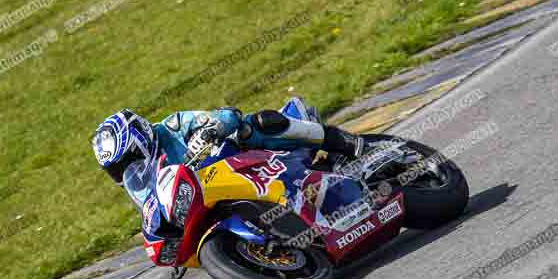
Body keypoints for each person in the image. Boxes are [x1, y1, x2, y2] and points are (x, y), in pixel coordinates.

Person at [91, 97, 365, 209]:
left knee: (251, 127)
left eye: (126, 161)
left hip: (237, 159)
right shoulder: (139, 186)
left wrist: (210, 131)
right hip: (215, 197)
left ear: (140, 139)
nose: (124, 172)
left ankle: (343, 142)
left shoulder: (172, 127)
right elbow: (158, 211)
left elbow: (226, 116)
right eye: (116, 168)